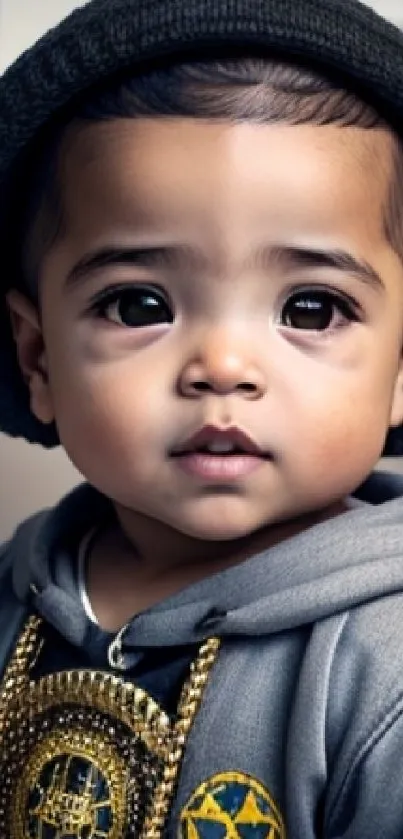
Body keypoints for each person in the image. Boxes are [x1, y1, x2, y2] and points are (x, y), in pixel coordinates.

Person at [2, 0, 403, 835]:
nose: (222, 366)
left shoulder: (383, 671)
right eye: (140, 302)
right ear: (38, 358)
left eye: (311, 308)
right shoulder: (15, 593)